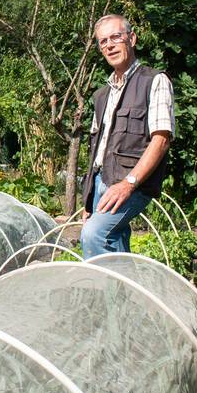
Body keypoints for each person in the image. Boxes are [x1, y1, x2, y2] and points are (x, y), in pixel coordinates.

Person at [80, 14, 175, 258]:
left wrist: (128, 184)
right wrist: (88, 197)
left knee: (95, 235)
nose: (109, 45)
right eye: (103, 42)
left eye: (115, 37)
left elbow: (161, 139)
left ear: (131, 39)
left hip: (131, 183)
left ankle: (106, 296)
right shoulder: (101, 95)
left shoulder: (153, 81)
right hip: (101, 182)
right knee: (115, 242)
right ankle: (128, 294)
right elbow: (96, 151)